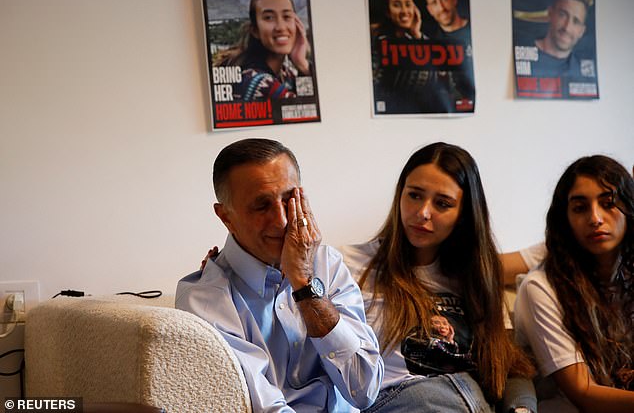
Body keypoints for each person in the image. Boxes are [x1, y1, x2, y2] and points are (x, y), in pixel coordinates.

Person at [176, 138, 383, 412]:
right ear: (226, 216)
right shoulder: (205, 300)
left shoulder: (327, 264)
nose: (282, 221)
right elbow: (262, 408)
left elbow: (365, 389)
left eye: (289, 200)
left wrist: (304, 283)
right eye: (261, 206)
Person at [340, 142, 536, 412]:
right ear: (400, 195)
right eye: (415, 195)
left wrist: (522, 408)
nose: (423, 213)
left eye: (442, 203)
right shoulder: (349, 266)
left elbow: (509, 366)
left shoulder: (476, 278)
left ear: (463, 214)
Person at [514, 155, 634, 412]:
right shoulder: (541, 287)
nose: (595, 218)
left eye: (608, 203)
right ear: (564, 219)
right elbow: (583, 393)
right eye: (580, 208)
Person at [214, 0, 313, 101]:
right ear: (255, 30)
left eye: (286, 16)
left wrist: (302, 64)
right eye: (269, 17)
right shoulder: (259, 83)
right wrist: (305, 70)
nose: (280, 27)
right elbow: (306, 110)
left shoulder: (285, 74)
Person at [528, 0, 590, 79]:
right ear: (550, 14)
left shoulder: (582, 72)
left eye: (576, 22)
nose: (567, 27)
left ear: (582, 31)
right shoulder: (524, 53)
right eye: (562, 15)